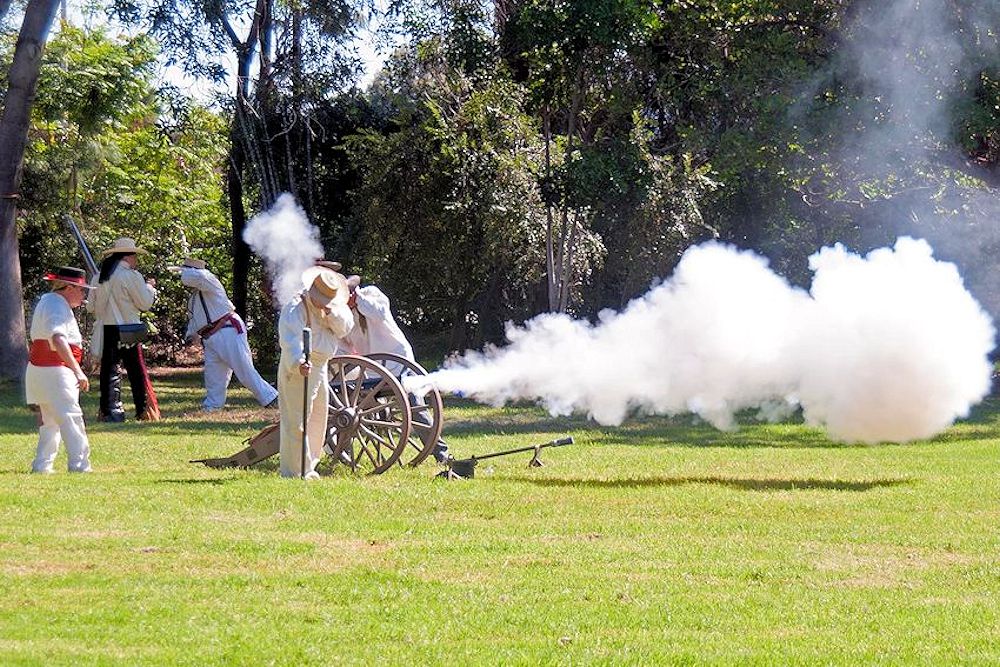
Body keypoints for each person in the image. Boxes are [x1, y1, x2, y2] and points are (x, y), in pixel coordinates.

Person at [339, 275, 450, 463]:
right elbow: (343, 348)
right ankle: (342, 454)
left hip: (398, 360)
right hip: (373, 371)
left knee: (415, 406)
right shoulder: (342, 316)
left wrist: (357, 298)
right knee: (346, 408)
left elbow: (380, 312)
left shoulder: (370, 294)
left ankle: (441, 453)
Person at [277, 264, 354, 479]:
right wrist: (299, 361)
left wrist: (331, 313)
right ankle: (293, 471)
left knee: (319, 417)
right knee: (297, 421)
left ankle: (309, 466)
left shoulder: (333, 306)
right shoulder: (295, 307)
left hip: (321, 366)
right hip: (300, 367)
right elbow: (290, 340)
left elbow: (345, 327)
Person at [173, 257, 278, 411]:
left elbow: (192, 277)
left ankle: (272, 398)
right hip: (211, 336)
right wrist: (191, 335)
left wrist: (186, 270)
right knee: (214, 376)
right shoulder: (195, 296)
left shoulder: (209, 279)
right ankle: (212, 406)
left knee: (244, 370)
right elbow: (196, 319)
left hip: (228, 330)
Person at [25, 267, 94, 473]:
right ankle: (80, 465)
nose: (84, 295)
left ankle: (42, 464)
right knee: (70, 418)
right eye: (81, 290)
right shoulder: (57, 305)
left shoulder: (49, 301)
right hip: (56, 370)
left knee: (50, 422)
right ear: (69, 287)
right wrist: (77, 371)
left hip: (40, 370)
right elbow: (58, 338)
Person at [88, 237, 160, 422]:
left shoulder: (99, 276)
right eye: (134, 255)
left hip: (108, 329)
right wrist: (150, 289)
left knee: (109, 371)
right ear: (128, 256)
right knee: (136, 371)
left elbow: (90, 308)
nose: (136, 259)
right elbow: (145, 304)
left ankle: (110, 412)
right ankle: (144, 410)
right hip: (129, 327)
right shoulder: (132, 276)